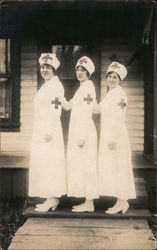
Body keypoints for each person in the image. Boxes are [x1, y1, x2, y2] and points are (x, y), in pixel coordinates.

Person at [29, 53, 66, 212]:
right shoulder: (46, 85)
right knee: (44, 163)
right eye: (42, 67)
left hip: (49, 130)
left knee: (50, 163)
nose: (44, 70)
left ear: (54, 70)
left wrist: (49, 131)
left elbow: (55, 109)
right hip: (41, 128)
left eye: (48, 67)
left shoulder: (56, 86)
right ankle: (50, 198)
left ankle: (52, 198)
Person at [98, 61, 136, 214]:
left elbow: (119, 117)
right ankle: (121, 201)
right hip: (109, 135)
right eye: (110, 76)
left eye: (115, 77)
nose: (112, 79)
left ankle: (122, 201)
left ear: (120, 80)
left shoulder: (120, 94)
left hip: (116, 136)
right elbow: (98, 108)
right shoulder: (110, 94)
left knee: (120, 167)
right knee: (113, 168)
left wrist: (113, 138)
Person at [64, 56, 99, 212]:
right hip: (78, 131)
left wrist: (82, 136)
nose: (79, 72)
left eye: (83, 70)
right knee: (81, 165)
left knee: (88, 165)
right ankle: (87, 201)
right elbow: (68, 106)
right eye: (78, 69)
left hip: (84, 132)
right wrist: (56, 93)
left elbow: (86, 112)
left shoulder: (88, 88)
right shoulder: (81, 89)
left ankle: (89, 202)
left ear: (88, 73)